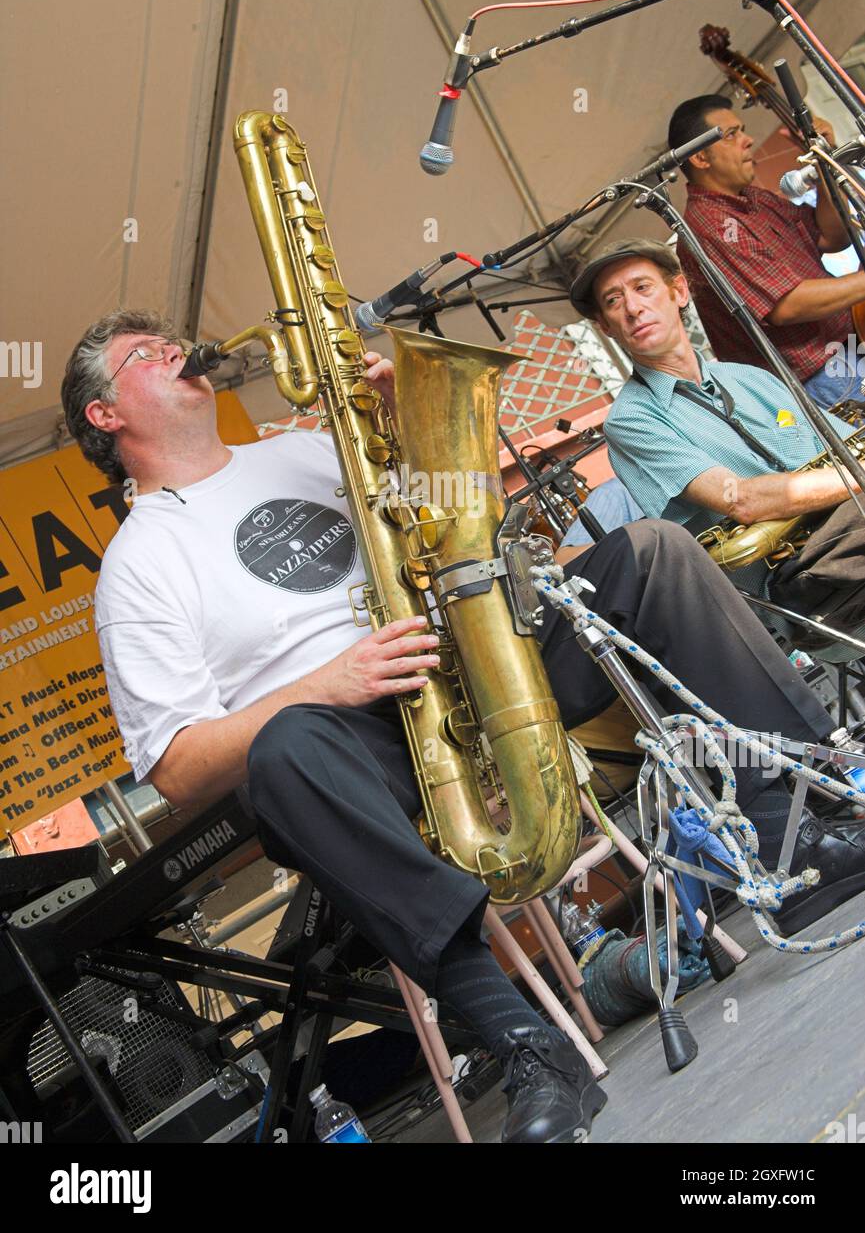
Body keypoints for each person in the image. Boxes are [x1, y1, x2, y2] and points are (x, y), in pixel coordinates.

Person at [62, 311, 865, 1140]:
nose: (176, 349)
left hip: (472, 666)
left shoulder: (303, 449)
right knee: (285, 753)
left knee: (653, 551)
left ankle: (796, 838)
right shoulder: (137, 566)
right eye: (143, 355)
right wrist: (326, 683)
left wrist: (409, 421)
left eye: (170, 338)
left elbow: (466, 512)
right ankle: (521, 1042)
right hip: (358, 742)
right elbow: (176, 764)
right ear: (105, 414)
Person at [568, 238, 865, 630]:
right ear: (605, 326)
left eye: (643, 288)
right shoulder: (630, 421)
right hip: (803, 585)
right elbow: (742, 501)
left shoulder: (749, 376)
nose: (634, 308)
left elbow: (849, 447)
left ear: (678, 291)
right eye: (613, 301)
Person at [667, 93, 864, 409]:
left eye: (741, 130)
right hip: (821, 380)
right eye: (731, 135)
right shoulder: (709, 225)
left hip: (847, 353)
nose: (748, 140)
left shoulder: (753, 199)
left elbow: (831, 236)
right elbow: (787, 305)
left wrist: (823, 161)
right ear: (700, 158)